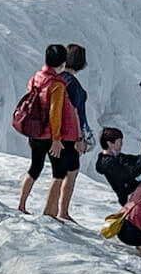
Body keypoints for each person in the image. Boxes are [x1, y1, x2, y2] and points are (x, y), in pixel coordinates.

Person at [16, 43, 79, 218]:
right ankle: (49, 212)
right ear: (62, 63)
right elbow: (55, 113)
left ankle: (21, 204)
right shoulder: (57, 84)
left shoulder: (36, 77)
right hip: (49, 135)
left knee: (34, 168)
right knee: (59, 173)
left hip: (34, 131)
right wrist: (57, 138)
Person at [56, 44, 95, 222]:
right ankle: (62, 210)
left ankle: (56, 209)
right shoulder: (73, 85)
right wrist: (80, 138)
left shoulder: (57, 79)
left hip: (56, 131)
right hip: (70, 133)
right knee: (70, 173)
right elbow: (76, 112)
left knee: (61, 171)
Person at [96, 125, 141, 205]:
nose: (121, 145)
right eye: (119, 142)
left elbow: (138, 161)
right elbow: (133, 172)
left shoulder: (118, 157)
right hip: (129, 196)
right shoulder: (107, 163)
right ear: (109, 143)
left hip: (137, 190)